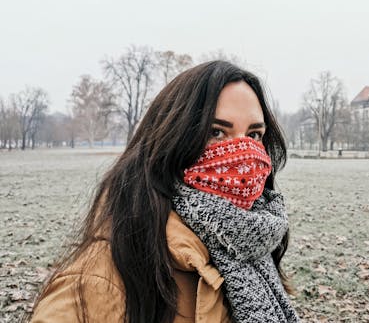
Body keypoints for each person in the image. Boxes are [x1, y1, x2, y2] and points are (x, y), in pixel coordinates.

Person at [28, 61, 300, 323]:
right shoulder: (103, 279)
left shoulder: (253, 243)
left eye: (254, 135)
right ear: (172, 140)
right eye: (216, 132)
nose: (242, 153)